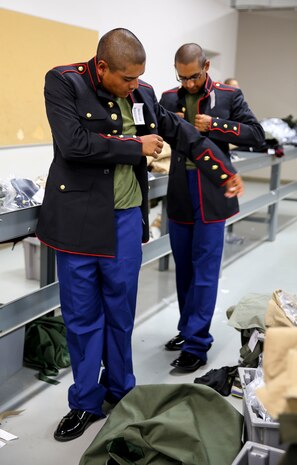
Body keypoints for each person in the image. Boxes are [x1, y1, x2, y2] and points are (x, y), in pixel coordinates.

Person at [36, 30, 242, 442]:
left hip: (126, 219)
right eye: (127, 79)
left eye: (139, 79)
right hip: (78, 221)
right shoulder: (64, 82)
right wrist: (136, 147)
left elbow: (183, 133)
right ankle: (85, 402)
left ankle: (120, 390)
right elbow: (74, 145)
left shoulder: (142, 92)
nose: (135, 86)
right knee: (81, 318)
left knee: (121, 310)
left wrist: (221, 172)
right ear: (102, 67)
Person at [160, 43, 265, 372]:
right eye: (182, 77)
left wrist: (217, 126)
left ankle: (197, 344)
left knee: (204, 272)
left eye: (194, 76)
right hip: (179, 192)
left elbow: (257, 135)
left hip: (212, 194)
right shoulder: (167, 99)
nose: (189, 84)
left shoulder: (229, 97)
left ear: (206, 66)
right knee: (184, 270)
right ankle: (186, 329)